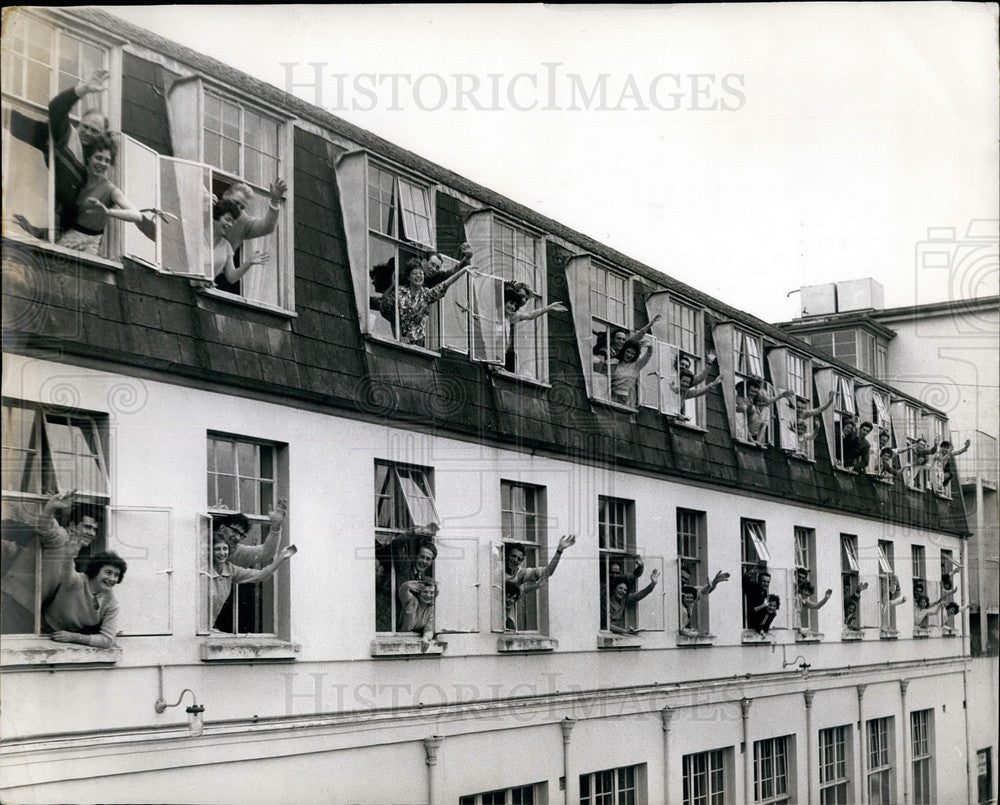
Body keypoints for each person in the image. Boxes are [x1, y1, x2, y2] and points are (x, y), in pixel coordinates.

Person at [10, 68, 110, 237]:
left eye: (95, 131)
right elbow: (56, 108)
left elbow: (73, 217)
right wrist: (82, 90)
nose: (88, 133)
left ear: (102, 136)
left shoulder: (97, 166)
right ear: (79, 125)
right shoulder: (68, 136)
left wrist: (38, 232)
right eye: (85, 127)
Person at [1, 492, 101, 635]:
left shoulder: (72, 556)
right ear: (72, 526)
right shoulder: (61, 537)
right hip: (12, 602)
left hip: (26, 610)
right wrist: (51, 507)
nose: (92, 533)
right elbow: (44, 528)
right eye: (87, 527)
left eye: (95, 530)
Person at [54, 134, 142, 255]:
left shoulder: (110, 189)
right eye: (99, 158)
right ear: (89, 157)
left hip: (90, 244)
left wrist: (107, 211)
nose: (103, 163)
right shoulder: (78, 179)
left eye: (107, 160)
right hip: (67, 237)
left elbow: (136, 215)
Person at [207, 534, 296, 629]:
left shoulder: (230, 569)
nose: (222, 553)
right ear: (210, 551)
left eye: (225, 549)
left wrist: (281, 558)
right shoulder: (204, 571)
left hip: (209, 626)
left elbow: (260, 576)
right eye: (217, 549)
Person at [43, 551, 127, 648]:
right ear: (96, 570)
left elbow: (107, 640)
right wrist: (70, 552)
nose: (112, 579)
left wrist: (74, 637)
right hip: (44, 632)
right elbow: (66, 568)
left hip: (69, 639)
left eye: (116, 575)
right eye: (108, 573)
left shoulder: (112, 602)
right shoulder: (75, 580)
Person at [380, 258, 471, 346]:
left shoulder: (425, 295)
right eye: (415, 273)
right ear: (409, 277)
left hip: (417, 344)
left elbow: (444, 285)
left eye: (421, 273)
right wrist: (398, 336)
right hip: (398, 341)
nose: (419, 276)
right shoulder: (400, 293)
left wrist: (463, 270)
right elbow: (385, 307)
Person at [504, 534, 575, 630]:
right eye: (513, 556)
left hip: (506, 615)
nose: (515, 561)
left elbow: (547, 572)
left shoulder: (520, 573)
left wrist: (559, 551)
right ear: (507, 555)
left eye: (519, 559)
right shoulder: (496, 569)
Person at [501, 284, 566, 373]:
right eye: (522, 296)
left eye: (526, 299)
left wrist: (548, 308)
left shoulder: (511, 316)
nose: (523, 301)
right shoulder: (497, 311)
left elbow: (529, 315)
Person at [209, 199, 270, 294]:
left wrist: (248, 263)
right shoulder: (199, 236)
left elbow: (231, 277)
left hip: (204, 293)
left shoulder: (226, 246)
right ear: (216, 217)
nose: (230, 225)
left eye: (232, 222)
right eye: (227, 219)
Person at [218, 179, 287, 253]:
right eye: (236, 202)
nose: (238, 209)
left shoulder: (243, 220)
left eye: (242, 207)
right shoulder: (210, 206)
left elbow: (267, 227)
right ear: (225, 195)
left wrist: (275, 201)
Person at [213, 500, 288, 568]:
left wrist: (276, 526)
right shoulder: (204, 539)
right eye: (235, 531)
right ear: (222, 527)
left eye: (242, 535)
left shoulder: (237, 551)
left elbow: (267, 552)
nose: (238, 538)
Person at [736, 379, 793, 445]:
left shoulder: (760, 405)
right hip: (742, 432)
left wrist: (780, 396)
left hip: (753, 435)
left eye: (755, 392)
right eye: (752, 391)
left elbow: (766, 401)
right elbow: (744, 418)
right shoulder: (742, 399)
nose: (753, 394)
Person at [679, 567, 730, 636]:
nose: (683, 580)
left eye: (686, 579)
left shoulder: (688, 589)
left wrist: (714, 582)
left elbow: (703, 590)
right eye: (682, 577)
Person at [607, 569, 660, 635]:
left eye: (625, 590)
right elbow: (606, 624)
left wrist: (653, 584)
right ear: (614, 589)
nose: (623, 591)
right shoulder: (606, 603)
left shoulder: (624, 600)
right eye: (620, 588)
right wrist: (624, 631)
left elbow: (640, 595)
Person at [610, 338, 654, 406]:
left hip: (622, 398)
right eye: (628, 352)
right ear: (624, 350)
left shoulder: (637, 365)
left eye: (632, 354)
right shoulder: (616, 362)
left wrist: (650, 346)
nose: (629, 355)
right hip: (610, 394)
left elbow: (648, 355)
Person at [397, 580, 438, 650]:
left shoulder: (430, 608)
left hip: (413, 641)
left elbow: (429, 628)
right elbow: (403, 590)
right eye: (425, 592)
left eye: (432, 593)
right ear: (419, 593)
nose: (428, 595)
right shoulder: (411, 601)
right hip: (398, 639)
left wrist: (426, 638)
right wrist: (409, 584)